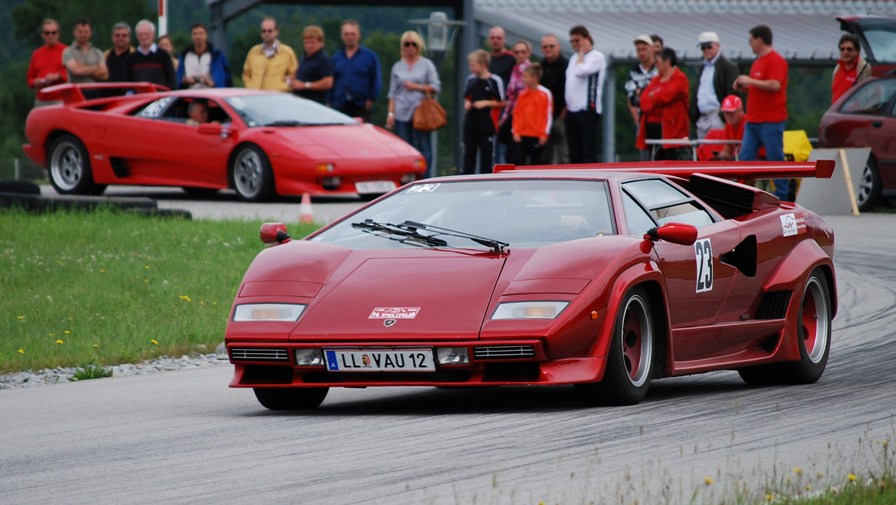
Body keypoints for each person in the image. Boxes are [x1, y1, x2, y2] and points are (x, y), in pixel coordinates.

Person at [734, 25, 789, 200]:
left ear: (759, 40)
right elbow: (761, 87)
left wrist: (750, 81)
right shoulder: (757, 62)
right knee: (745, 158)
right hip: (753, 120)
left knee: (775, 158)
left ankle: (783, 197)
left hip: (771, 120)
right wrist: (745, 86)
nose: (749, 44)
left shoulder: (776, 60)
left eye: (751, 40)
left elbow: (775, 85)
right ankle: (741, 194)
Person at [386, 31, 441, 176]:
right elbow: (392, 93)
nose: (410, 47)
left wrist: (416, 87)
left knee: (423, 146)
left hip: (420, 111)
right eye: (407, 44)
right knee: (404, 146)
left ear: (419, 46)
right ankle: (407, 177)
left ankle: (425, 177)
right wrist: (390, 113)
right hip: (401, 112)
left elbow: (435, 87)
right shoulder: (397, 67)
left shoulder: (426, 64)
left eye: (414, 44)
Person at [638, 47, 690, 161]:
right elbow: (643, 101)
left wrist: (653, 96)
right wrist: (654, 98)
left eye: (657, 62)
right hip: (653, 129)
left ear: (667, 61)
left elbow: (665, 96)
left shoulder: (680, 78)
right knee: (655, 160)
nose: (655, 65)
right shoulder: (656, 79)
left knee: (671, 159)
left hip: (672, 130)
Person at [564, 25, 606, 163]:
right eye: (572, 41)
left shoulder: (596, 56)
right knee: (574, 151)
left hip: (587, 109)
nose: (575, 44)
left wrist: (581, 54)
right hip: (572, 110)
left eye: (577, 40)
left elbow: (581, 71)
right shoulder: (574, 58)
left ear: (586, 39)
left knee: (587, 150)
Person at [691, 31, 740, 139]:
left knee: (718, 148)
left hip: (717, 116)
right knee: (703, 149)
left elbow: (733, 92)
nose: (706, 50)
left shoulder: (728, 66)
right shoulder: (702, 67)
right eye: (703, 47)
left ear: (718, 46)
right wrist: (695, 116)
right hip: (702, 119)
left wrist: (723, 117)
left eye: (709, 46)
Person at [329, 19, 382, 121]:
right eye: (346, 34)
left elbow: (376, 80)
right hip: (340, 104)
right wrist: (329, 101)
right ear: (342, 36)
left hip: (361, 105)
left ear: (358, 35)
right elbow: (332, 81)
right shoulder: (336, 58)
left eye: (352, 34)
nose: (349, 37)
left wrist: (371, 99)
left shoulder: (370, 57)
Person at [462, 49, 504, 175]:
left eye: (473, 65)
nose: (471, 68)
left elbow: (501, 102)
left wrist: (485, 103)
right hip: (471, 123)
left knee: (487, 156)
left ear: (483, 64)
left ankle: (486, 179)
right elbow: (467, 97)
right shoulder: (471, 79)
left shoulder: (494, 80)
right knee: (469, 154)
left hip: (487, 124)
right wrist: (467, 103)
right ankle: (466, 179)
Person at [497, 40, 532, 164]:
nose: (520, 55)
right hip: (513, 114)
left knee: (517, 153)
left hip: (525, 117)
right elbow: (511, 98)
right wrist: (505, 117)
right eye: (517, 52)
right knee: (509, 151)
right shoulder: (515, 69)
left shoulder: (530, 70)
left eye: (523, 52)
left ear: (528, 53)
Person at [624, 35, 658, 160]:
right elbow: (631, 97)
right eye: (638, 50)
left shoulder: (659, 68)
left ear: (652, 49)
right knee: (645, 155)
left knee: (659, 153)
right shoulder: (634, 71)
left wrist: (642, 92)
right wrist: (637, 120)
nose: (641, 53)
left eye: (644, 49)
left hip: (658, 118)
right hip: (641, 118)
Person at [511, 63, 553, 166]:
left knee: (536, 163)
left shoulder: (545, 93)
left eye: (525, 77)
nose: (523, 79)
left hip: (537, 136)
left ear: (534, 78)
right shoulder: (522, 94)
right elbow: (517, 114)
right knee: (518, 162)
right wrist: (516, 131)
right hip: (522, 135)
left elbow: (548, 115)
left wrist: (544, 134)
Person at [242, 17, 297, 91]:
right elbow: (246, 74)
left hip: (277, 96)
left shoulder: (287, 52)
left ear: (276, 32)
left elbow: (295, 75)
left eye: (270, 31)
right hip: (255, 95)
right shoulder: (253, 52)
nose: (266, 33)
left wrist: (283, 88)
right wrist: (249, 86)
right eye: (263, 31)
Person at [486, 26, 515, 164]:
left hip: (507, 109)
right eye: (493, 38)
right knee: (491, 147)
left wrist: (510, 103)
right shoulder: (486, 60)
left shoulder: (512, 58)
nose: (495, 41)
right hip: (491, 108)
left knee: (503, 146)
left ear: (504, 40)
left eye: (498, 38)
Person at [539, 34, 568, 164]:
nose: (548, 49)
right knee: (544, 154)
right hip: (544, 118)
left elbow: (570, 92)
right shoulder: (540, 67)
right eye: (545, 47)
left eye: (551, 46)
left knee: (563, 153)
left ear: (558, 47)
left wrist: (563, 115)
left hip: (562, 115)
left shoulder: (567, 66)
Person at [177, 22, 231, 89]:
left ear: (206, 35)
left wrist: (212, 83)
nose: (198, 36)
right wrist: (184, 81)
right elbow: (177, 78)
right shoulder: (184, 55)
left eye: (201, 33)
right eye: (195, 34)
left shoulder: (216, 55)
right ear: (191, 36)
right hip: (189, 93)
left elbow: (225, 79)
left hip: (210, 93)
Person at [27, 18, 67, 106]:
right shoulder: (37, 54)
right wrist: (35, 82)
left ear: (58, 33)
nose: (50, 35)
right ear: (42, 35)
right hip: (41, 100)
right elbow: (30, 78)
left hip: (61, 99)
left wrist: (58, 76)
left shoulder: (66, 51)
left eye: (54, 33)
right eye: (47, 33)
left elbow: (73, 74)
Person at [288, 25, 333, 103]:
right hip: (301, 101)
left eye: (312, 42)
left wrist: (305, 85)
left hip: (314, 102)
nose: (309, 45)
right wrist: (292, 79)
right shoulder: (304, 58)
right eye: (306, 42)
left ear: (321, 43)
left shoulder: (322, 59)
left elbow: (328, 82)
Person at [126, 19, 176, 89]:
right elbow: (127, 81)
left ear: (153, 35)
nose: (143, 37)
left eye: (146, 34)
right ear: (137, 36)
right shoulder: (131, 58)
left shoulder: (164, 55)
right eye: (140, 34)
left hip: (160, 95)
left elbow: (171, 79)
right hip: (138, 95)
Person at [62, 17, 108, 84]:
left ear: (90, 33)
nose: (83, 34)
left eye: (86, 32)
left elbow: (104, 73)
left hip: (94, 89)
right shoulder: (68, 52)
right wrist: (96, 68)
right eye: (80, 32)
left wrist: (82, 68)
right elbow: (76, 71)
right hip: (76, 89)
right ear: (74, 33)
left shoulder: (97, 52)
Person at [832, 34, 872, 104]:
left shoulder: (864, 68)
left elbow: (875, 95)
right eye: (842, 49)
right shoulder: (837, 69)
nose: (845, 52)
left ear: (857, 51)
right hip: (837, 110)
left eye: (849, 49)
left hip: (857, 110)